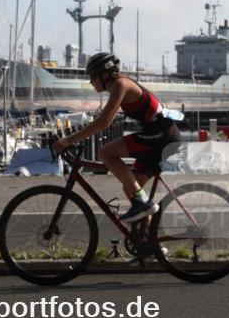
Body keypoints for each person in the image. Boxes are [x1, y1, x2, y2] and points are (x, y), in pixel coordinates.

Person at [52, 52, 182, 222]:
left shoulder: (120, 85)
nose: (91, 81)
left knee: (106, 152)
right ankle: (151, 246)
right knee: (131, 188)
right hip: (162, 136)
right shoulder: (119, 84)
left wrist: (69, 139)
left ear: (105, 75)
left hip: (162, 136)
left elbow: (104, 122)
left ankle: (142, 203)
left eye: (93, 77)